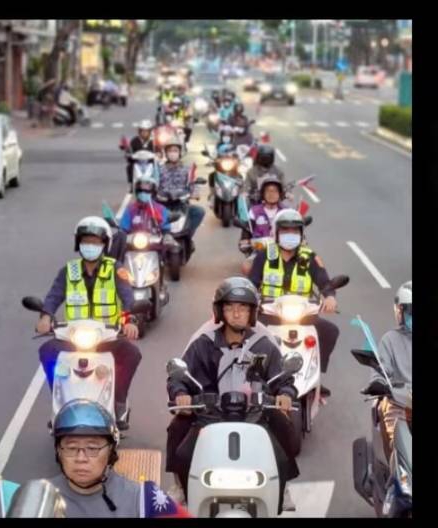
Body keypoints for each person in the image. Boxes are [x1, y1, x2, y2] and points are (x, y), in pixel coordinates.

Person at [165, 277, 300, 513]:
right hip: (209, 417)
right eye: (230, 307)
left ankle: (283, 484)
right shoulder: (203, 344)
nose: (236, 313)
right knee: (179, 437)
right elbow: (179, 378)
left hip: (256, 416)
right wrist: (181, 394)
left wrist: (285, 394)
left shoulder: (264, 345)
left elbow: (284, 380)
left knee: (283, 434)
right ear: (220, 311)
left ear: (252, 312)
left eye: (243, 307)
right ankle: (181, 486)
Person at [35, 216, 141, 430]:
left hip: (107, 338)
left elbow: (127, 297)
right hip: (74, 337)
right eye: (86, 241)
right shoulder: (68, 271)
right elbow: (54, 296)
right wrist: (45, 316)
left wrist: (131, 320)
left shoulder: (116, 269)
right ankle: (60, 401)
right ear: (78, 243)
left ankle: (119, 401)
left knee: (132, 354)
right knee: (47, 351)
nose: (90, 246)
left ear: (105, 244)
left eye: (95, 242)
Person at [245, 209, 340, 397]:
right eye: (285, 230)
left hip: (302, 315)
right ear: (276, 232)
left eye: (295, 230)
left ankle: (315, 375)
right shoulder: (264, 255)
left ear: (301, 233)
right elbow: (252, 283)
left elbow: (324, 282)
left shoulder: (310, 257)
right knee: (249, 335)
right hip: (270, 313)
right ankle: (255, 376)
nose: (290, 234)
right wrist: (249, 300)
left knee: (330, 331)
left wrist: (329, 296)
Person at [47, 399, 187, 517]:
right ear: (58, 451)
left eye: (92, 448)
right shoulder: (40, 496)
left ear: (110, 451)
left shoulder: (144, 500)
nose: (81, 458)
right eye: (71, 448)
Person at [364, 281, 412, 459]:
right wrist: (378, 382)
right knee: (396, 442)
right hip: (400, 403)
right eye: (411, 311)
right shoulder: (390, 340)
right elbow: (381, 369)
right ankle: (395, 466)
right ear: (401, 312)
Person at [157, 138, 205, 242]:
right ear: (166, 153)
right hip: (163, 205)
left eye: (175, 150)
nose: (172, 153)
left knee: (199, 211)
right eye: (170, 151)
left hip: (181, 205)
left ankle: (188, 236)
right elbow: (154, 185)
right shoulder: (159, 169)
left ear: (180, 152)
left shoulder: (187, 169)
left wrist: (195, 192)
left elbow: (192, 184)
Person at [238, 177, 285, 252]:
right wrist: (244, 241)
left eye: (275, 191)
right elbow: (247, 231)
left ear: (280, 194)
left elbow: (295, 230)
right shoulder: (254, 211)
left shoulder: (286, 211)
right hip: (259, 251)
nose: (271, 194)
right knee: (249, 260)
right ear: (263, 194)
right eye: (268, 191)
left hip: (282, 251)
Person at [125, 120, 155, 187]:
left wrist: (158, 156)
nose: (144, 133)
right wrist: (129, 155)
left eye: (146, 131)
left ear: (150, 131)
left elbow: (159, 151)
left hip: (150, 163)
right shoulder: (134, 141)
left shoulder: (154, 141)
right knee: (129, 167)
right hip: (138, 163)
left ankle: (157, 184)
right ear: (139, 131)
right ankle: (132, 184)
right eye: (142, 131)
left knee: (159, 168)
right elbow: (129, 151)